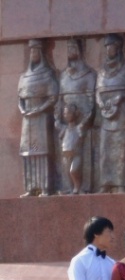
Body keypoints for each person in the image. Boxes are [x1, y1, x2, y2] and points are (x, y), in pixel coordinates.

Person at [96, 33, 125, 193]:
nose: (108, 50)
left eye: (111, 46)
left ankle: (120, 184)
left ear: (118, 48)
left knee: (120, 150)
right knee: (105, 151)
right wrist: (100, 103)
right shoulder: (101, 72)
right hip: (105, 116)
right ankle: (105, 183)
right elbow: (97, 92)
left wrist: (120, 97)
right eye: (106, 47)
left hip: (121, 116)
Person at [18, 39, 58, 197]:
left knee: (41, 152)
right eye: (31, 51)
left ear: (41, 54)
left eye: (36, 51)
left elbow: (53, 97)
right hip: (27, 120)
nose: (33, 54)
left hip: (41, 119)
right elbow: (19, 97)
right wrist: (23, 109)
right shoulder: (24, 77)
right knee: (29, 153)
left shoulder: (47, 74)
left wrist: (39, 110)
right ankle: (31, 187)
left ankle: (44, 187)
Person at [56, 37, 95, 194]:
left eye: (73, 47)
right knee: (66, 157)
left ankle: (82, 187)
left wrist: (84, 122)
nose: (70, 51)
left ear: (80, 50)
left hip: (83, 124)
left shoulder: (89, 74)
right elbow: (59, 100)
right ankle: (67, 187)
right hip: (67, 123)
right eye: (68, 48)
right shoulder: (64, 76)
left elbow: (92, 102)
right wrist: (58, 119)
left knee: (80, 158)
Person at [58, 103, 85, 194]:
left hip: (76, 154)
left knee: (73, 171)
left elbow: (87, 119)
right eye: (65, 113)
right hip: (66, 155)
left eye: (69, 113)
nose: (66, 115)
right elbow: (56, 123)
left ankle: (77, 187)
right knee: (67, 173)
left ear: (75, 114)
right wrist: (56, 110)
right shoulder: (64, 128)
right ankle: (71, 189)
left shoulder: (78, 128)